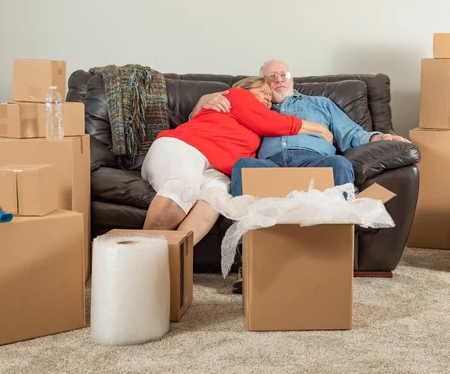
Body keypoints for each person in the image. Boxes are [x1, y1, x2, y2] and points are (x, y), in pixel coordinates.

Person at [191, 60, 410, 293]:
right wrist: (204, 100)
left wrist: (381, 138)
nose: (278, 79)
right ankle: (250, 261)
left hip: (314, 161)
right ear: (262, 85)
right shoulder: (254, 106)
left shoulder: (321, 104)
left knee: (339, 163)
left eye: (283, 74)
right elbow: (213, 120)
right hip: (270, 166)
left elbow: (354, 135)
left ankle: (333, 256)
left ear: (293, 80)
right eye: (271, 76)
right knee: (244, 165)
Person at [141, 76, 333, 246]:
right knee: (183, 189)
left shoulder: (254, 126)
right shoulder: (236, 96)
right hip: (186, 147)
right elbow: (272, 122)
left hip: (218, 171)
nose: (268, 97)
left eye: (270, 95)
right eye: (262, 92)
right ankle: (140, 256)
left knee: (214, 203)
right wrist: (319, 129)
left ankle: (170, 261)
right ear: (245, 89)